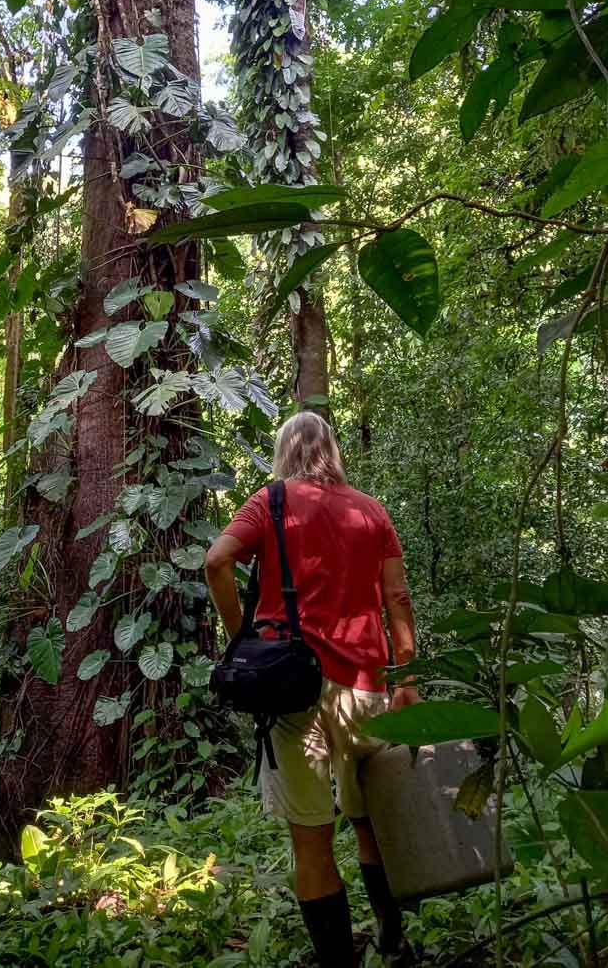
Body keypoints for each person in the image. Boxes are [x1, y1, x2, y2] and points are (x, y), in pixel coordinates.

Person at [205, 411, 418, 967]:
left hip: (293, 691)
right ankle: (393, 940)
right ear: (333, 451)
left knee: (312, 840)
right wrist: (407, 680)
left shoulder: (270, 501)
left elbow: (216, 561)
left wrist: (242, 639)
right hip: (367, 689)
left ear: (283, 452)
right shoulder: (372, 511)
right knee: (369, 821)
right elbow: (397, 598)